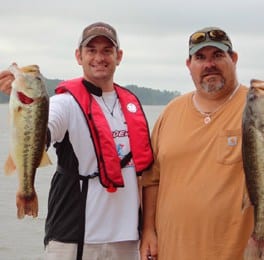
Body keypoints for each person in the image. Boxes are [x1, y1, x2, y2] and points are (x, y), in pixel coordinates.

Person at [140, 26, 264, 260]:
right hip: (173, 251)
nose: (209, 64)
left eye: (218, 55)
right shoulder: (170, 112)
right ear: (189, 65)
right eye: (200, 57)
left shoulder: (256, 106)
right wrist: (148, 231)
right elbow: (152, 179)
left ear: (233, 59)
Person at [0, 21, 153, 260]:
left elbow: (148, 175)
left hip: (128, 240)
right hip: (74, 238)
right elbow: (43, 132)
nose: (99, 57)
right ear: (78, 56)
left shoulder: (131, 105)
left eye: (107, 50)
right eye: (91, 50)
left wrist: (149, 230)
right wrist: (25, 105)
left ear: (119, 56)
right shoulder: (64, 103)